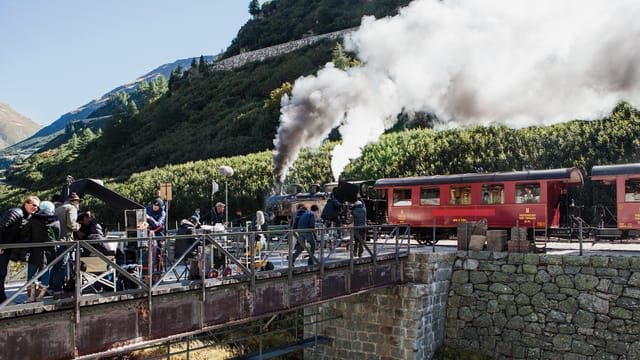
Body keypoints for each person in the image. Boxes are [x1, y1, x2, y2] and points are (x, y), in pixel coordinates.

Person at [0, 195, 40, 303]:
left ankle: (2, 298)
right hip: (3, 247)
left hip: (6, 248)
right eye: (34, 205)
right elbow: (1, 226)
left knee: (2, 273)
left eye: (37, 207)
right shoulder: (15, 213)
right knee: (1, 272)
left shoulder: (27, 216)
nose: (35, 208)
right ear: (26, 203)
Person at [20, 201, 60, 303]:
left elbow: (24, 231)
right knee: (46, 272)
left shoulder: (33, 220)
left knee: (32, 273)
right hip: (50, 251)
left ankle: (30, 298)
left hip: (35, 250)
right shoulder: (56, 221)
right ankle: (39, 297)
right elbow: (57, 235)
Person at [51, 192, 81, 298]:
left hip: (56, 240)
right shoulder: (71, 208)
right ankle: (58, 291)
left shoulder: (58, 208)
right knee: (62, 265)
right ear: (75, 201)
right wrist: (78, 226)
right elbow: (71, 225)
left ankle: (52, 288)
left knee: (56, 265)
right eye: (78, 201)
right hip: (66, 241)